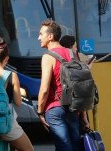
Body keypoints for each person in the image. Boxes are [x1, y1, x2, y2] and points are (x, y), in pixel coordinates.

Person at [37, 20, 80, 150]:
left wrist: (40, 112)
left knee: (64, 147)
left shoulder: (48, 57)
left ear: (50, 37)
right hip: (73, 107)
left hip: (55, 109)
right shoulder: (71, 53)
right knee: (74, 146)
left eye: (41, 34)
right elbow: (78, 82)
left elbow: (44, 89)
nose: (39, 37)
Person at [59, 35, 90, 131]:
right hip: (75, 108)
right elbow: (80, 91)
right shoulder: (74, 64)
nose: (76, 49)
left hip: (59, 106)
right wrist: (84, 117)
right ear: (71, 47)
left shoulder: (59, 61)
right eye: (75, 46)